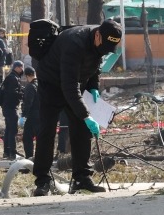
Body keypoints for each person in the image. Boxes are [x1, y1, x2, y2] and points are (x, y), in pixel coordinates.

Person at [32, 19, 123, 196]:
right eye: (103, 46)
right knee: (47, 130)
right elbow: (69, 86)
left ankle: (81, 178)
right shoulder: (74, 44)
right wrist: (86, 116)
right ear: (97, 34)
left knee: (81, 130)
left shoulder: (101, 41)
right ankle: (42, 181)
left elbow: (95, 66)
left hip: (74, 83)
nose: (103, 51)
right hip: (51, 83)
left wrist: (94, 87)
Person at [0, 60, 25, 159]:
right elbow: (12, 93)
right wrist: (22, 94)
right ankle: (12, 152)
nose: (22, 69)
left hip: (7, 107)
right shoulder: (13, 78)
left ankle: (7, 151)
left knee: (8, 130)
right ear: (17, 67)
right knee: (12, 130)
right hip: (10, 107)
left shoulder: (12, 77)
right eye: (21, 67)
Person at [20, 66, 40, 159]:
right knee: (40, 137)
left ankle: (29, 158)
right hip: (41, 115)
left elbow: (28, 102)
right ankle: (40, 158)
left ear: (27, 76)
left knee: (27, 138)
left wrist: (24, 115)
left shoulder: (30, 86)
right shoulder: (40, 84)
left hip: (32, 116)